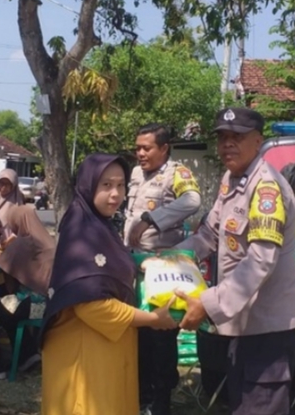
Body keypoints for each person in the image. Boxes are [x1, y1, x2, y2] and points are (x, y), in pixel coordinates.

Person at [173, 107, 295, 415]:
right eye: (222, 138)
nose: (228, 144)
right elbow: (208, 234)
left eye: (238, 137)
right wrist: (168, 259)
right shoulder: (232, 180)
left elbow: (261, 260)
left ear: (258, 141)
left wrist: (207, 304)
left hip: (269, 330)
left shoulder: (266, 189)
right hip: (241, 324)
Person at [41, 153, 178, 415]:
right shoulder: (81, 229)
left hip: (105, 349)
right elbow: (92, 306)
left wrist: (140, 262)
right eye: (106, 185)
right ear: (88, 185)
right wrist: (151, 319)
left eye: (120, 185)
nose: (115, 194)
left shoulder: (98, 223)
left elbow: (110, 262)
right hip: (84, 355)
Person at [123, 123, 201, 415]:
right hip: (133, 265)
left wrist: (152, 218)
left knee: (160, 335)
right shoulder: (134, 173)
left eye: (146, 148)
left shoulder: (177, 173)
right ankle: (142, 397)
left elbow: (193, 201)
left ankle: (161, 401)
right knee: (139, 333)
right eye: (137, 148)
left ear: (164, 148)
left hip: (161, 269)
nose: (140, 153)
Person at [0, 203, 57, 378]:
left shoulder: (24, 242)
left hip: (33, 305)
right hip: (50, 303)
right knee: (8, 306)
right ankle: (27, 355)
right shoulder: (47, 239)